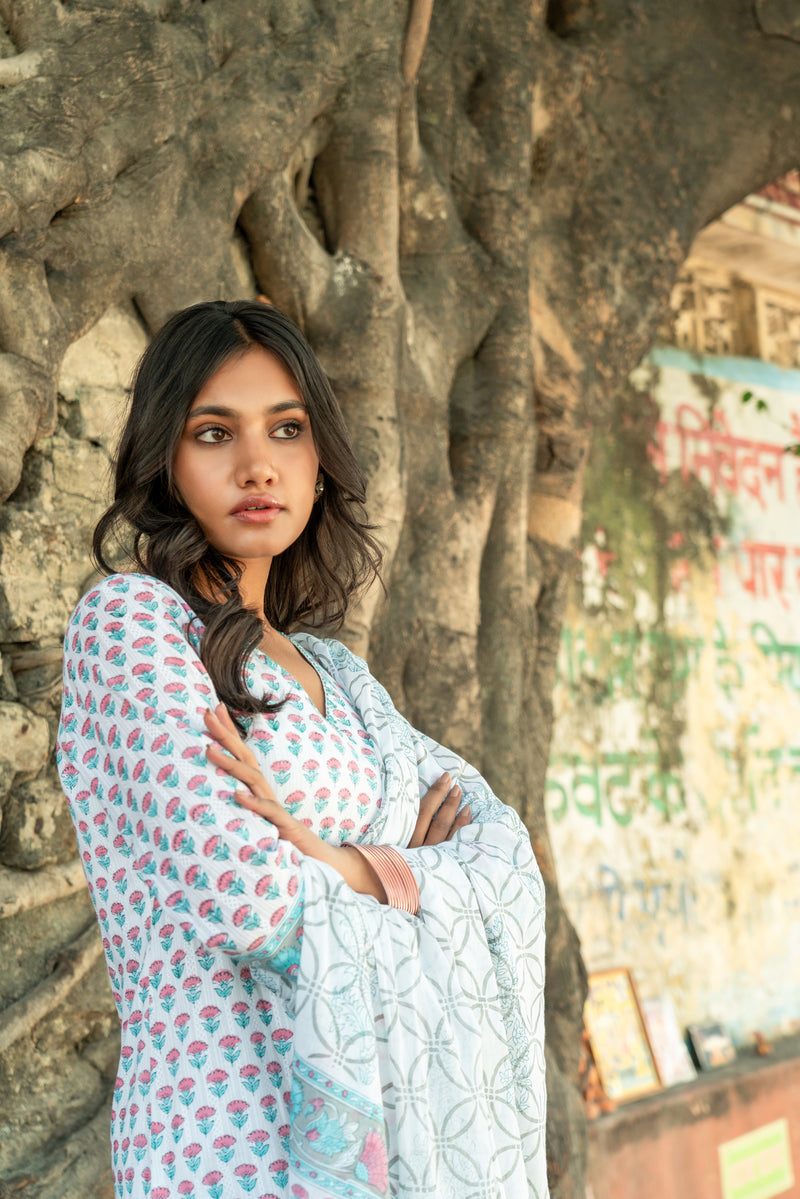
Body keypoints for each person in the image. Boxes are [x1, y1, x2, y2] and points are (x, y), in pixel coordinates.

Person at [56, 300, 548, 1199]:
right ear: (165, 459)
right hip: (228, 1144)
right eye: (214, 432)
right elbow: (252, 902)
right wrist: (404, 870)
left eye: (287, 429)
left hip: (393, 1145)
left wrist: (323, 855)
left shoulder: (338, 674)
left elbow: (506, 858)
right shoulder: (133, 625)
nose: (257, 465)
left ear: (321, 463)